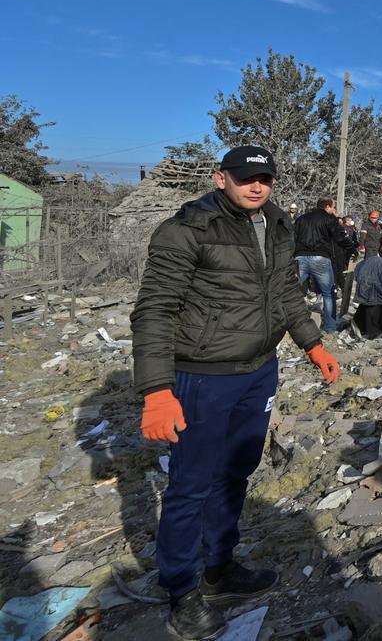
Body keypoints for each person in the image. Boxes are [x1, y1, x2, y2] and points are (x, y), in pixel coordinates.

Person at [131, 145, 340, 639]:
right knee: (190, 484)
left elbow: (286, 294)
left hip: (258, 371)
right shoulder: (188, 228)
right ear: (220, 178)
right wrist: (157, 390)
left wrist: (312, 344)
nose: (257, 186)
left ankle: (219, 568)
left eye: (265, 178)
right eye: (246, 178)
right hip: (202, 376)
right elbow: (155, 310)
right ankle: (181, 589)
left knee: (235, 473)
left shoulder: (279, 226)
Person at [293, 197, 357, 333]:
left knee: (294, 292)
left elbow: (292, 237)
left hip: (300, 258)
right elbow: (340, 237)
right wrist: (352, 249)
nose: (334, 210)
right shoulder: (329, 219)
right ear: (327, 207)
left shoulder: (301, 219)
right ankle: (330, 328)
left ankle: (292, 325)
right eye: (333, 207)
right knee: (328, 294)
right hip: (320, 258)